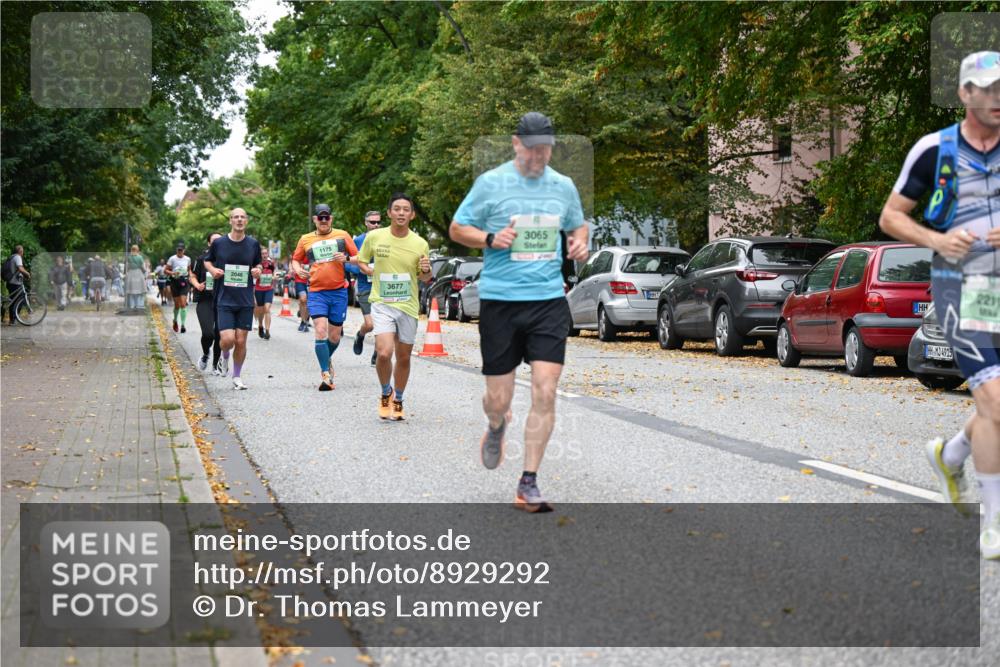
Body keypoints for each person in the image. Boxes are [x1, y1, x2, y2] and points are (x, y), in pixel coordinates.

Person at [879, 51, 1000, 560]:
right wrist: (937, 239)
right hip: (962, 288)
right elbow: (891, 216)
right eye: (988, 89)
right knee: (995, 400)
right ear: (965, 94)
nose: (998, 99)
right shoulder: (935, 150)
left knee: (995, 406)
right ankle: (993, 523)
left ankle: (950, 455)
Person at [449, 112, 589, 513]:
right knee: (498, 397)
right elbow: (459, 229)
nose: (539, 155)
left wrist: (579, 244)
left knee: (545, 389)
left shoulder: (563, 186)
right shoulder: (491, 183)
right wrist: (491, 238)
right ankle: (497, 425)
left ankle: (528, 482)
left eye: (545, 147)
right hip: (500, 302)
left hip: (547, 301)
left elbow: (578, 227)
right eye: (532, 148)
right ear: (515, 143)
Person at [358, 193, 432, 418]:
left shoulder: (420, 243)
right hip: (382, 302)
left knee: (404, 357)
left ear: (412, 215)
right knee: (384, 353)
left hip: (408, 305)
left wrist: (427, 270)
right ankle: (385, 392)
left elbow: (425, 278)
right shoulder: (375, 237)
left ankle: (398, 398)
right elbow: (361, 260)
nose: (401, 213)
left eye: (405, 209)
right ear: (389, 213)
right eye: (396, 209)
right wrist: (368, 269)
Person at [292, 203, 359, 391]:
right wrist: (299, 270)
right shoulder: (305, 239)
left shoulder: (342, 235)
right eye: (319, 217)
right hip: (316, 292)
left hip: (338, 292)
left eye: (326, 217)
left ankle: (326, 359)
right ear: (314, 219)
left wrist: (345, 258)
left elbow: (358, 257)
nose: (323, 220)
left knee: (335, 337)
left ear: (331, 218)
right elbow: (296, 259)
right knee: (320, 330)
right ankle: (326, 375)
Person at [204, 208, 263, 390]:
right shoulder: (219, 243)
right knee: (228, 340)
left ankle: (237, 376)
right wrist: (213, 270)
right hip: (224, 299)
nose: (239, 220)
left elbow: (258, 263)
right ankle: (224, 356)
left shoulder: (253, 244)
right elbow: (208, 260)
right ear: (230, 220)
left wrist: (258, 270)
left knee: (241, 341)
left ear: (246, 221)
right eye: (236, 217)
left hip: (245, 299)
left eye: (242, 217)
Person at [349, 210, 382, 365]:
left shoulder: (386, 239)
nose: (375, 225)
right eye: (372, 222)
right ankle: (360, 335)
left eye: (378, 222)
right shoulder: (359, 241)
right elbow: (348, 263)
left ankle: (377, 353)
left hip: (383, 286)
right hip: (365, 286)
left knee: (382, 323)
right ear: (366, 223)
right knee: (370, 324)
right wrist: (363, 268)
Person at [190, 232, 223, 374]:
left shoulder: (226, 259)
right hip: (205, 299)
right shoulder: (201, 258)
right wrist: (197, 285)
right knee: (208, 333)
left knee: (220, 334)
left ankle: (215, 365)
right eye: (214, 241)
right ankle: (205, 355)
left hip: (223, 300)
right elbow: (192, 275)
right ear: (209, 243)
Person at [165, 243, 191, 332]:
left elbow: (189, 270)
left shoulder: (187, 259)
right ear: (176, 250)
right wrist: (172, 273)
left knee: (183, 304)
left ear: (184, 250)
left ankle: (183, 325)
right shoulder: (172, 259)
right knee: (177, 305)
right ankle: (175, 320)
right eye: (178, 250)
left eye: (181, 250)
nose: (179, 251)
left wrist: (190, 277)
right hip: (175, 282)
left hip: (184, 282)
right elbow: (166, 270)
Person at [3, 245, 30, 324]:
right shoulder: (17, 257)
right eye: (22, 250)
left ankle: (12, 320)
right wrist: (27, 274)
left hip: (10, 282)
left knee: (13, 301)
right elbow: (20, 268)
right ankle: (14, 318)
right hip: (15, 283)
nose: (23, 252)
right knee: (20, 300)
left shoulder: (11, 257)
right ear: (19, 251)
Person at [254, 246, 276, 340]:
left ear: (268, 254)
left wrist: (274, 277)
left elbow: (274, 272)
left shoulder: (271, 263)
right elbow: (254, 276)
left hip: (269, 289)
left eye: (265, 253)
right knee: (260, 310)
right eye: (262, 254)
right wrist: (258, 274)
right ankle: (260, 326)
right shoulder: (257, 264)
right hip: (259, 289)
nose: (264, 255)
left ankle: (267, 331)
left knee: (267, 308)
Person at [125, 245, 147, 311]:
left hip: (131, 274)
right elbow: (143, 267)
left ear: (131, 249)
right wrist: (145, 271)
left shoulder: (128, 257)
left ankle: (132, 305)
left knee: (131, 290)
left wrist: (127, 273)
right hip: (138, 273)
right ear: (137, 250)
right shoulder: (140, 257)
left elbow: (127, 267)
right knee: (139, 290)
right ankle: (138, 305)